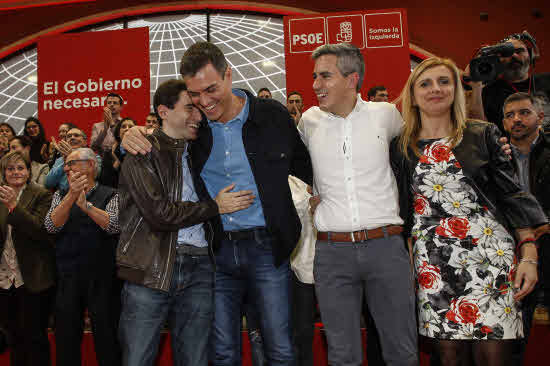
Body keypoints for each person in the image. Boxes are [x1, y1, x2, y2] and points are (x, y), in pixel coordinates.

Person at [122, 41, 312, 366]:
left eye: (211, 89)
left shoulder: (272, 116)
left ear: (228, 75)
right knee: (222, 352)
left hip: (267, 248)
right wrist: (131, 136)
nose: (204, 102)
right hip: (217, 254)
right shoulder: (198, 130)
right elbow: (163, 144)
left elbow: (303, 165)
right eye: (195, 95)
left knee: (279, 347)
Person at [390, 57, 546, 366]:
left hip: (491, 261)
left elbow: (512, 195)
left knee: (494, 358)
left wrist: (529, 254)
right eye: (425, 83)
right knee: (449, 359)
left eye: (444, 81)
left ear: (456, 91)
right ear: (413, 94)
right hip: (433, 266)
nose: (436, 89)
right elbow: (403, 210)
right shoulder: (401, 146)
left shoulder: (482, 134)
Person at [117, 79, 254, 366]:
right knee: (138, 358)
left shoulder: (201, 150)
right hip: (150, 268)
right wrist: (213, 207)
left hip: (201, 267)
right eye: (190, 108)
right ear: (163, 112)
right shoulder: (142, 153)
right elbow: (160, 213)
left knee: (195, 358)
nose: (198, 116)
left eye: (199, 109)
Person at [299, 43, 417, 366]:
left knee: (402, 352)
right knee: (342, 355)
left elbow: (419, 151)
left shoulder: (386, 116)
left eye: (325, 76)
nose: (315, 85)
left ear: (352, 80)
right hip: (332, 254)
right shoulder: (308, 122)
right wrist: (306, 195)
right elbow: (291, 166)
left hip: (386, 248)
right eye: (314, 76)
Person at [45, 147, 121, 366]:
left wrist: (87, 206)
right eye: (66, 165)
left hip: (102, 276)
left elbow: (114, 225)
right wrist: (71, 196)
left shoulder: (111, 193)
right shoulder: (60, 195)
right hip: (68, 275)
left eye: (72, 163)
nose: (66, 168)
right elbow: (51, 226)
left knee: (106, 336)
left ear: (90, 165)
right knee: (66, 337)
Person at [501, 92, 550, 365]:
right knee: (516, 332)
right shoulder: (496, 154)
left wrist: (543, 225)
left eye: (524, 113)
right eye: (510, 115)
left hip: (547, 239)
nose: (516, 119)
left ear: (540, 116)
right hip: (513, 249)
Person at [0, 150, 54, 366]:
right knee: (13, 337)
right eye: (10, 169)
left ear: (28, 171)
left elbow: (40, 231)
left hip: (33, 277)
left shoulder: (42, 195)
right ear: (3, 173)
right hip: (4, 279)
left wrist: (14, 206)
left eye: (20, 167)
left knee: (36, 337)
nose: (15, 172)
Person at [467, 31, 550, 131]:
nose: (514, 56)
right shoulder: (488, 92)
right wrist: (476, 84)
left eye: (519, 51)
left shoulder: (547, 80)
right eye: (506, 53)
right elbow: (479, 130)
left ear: (531, 55)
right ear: (498, 60)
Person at [45, 127, 101, 193]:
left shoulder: (94, 157)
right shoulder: (60, 160)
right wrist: (64, 161)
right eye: (69, 136)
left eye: (76, 135)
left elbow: (96, 175)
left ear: (85, 142)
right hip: (64, 196)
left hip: (87, 194)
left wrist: (72, 156)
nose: (72, 138)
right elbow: (48, 183)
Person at [98, 117, 135, 188]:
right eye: (123, 127)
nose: (127, 129)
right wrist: (117, 160)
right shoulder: (109, 153)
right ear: (118, 133)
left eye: (130, 127)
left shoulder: (143, 151)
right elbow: (105, 181)